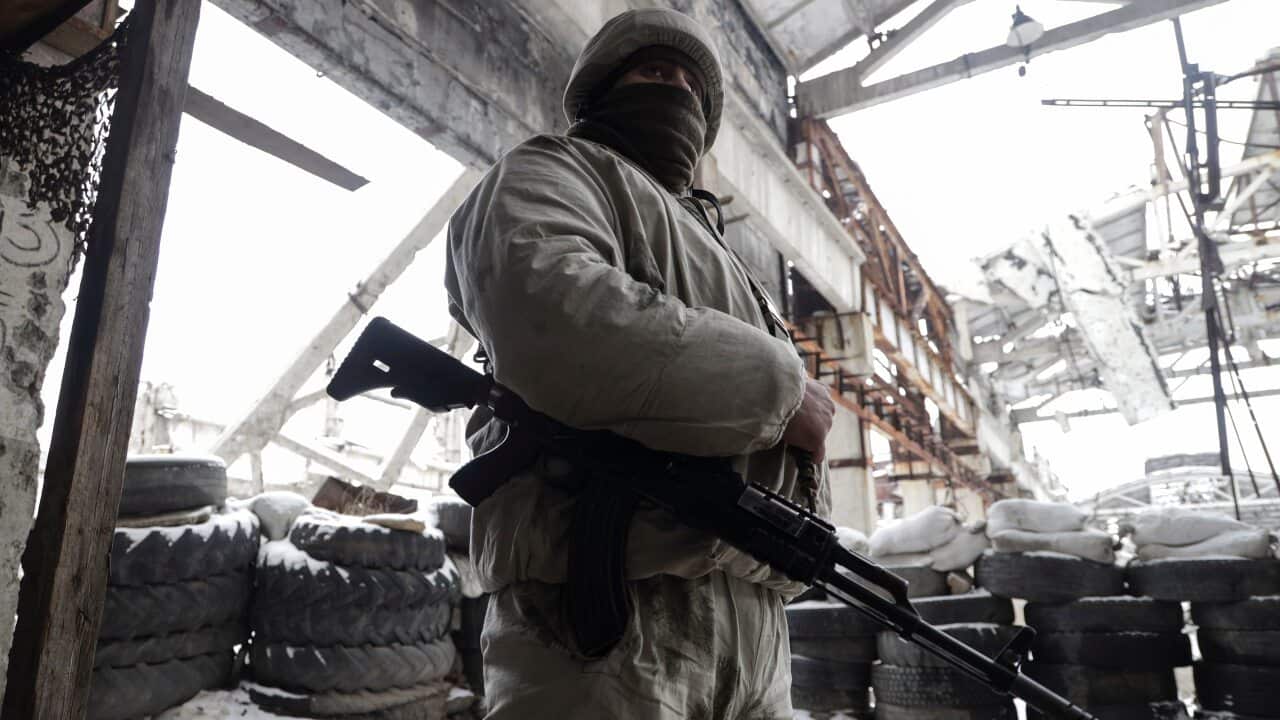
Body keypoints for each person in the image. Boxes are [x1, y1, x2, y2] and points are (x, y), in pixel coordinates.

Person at [444, 8, 835, 719]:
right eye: (655, 73)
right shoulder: (554, 170)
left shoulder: (727, 260)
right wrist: (785, 392)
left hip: (756, 635)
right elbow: (555, 316)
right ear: (600, 91)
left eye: (692, 83)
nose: (677, 91)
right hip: (606, 625)